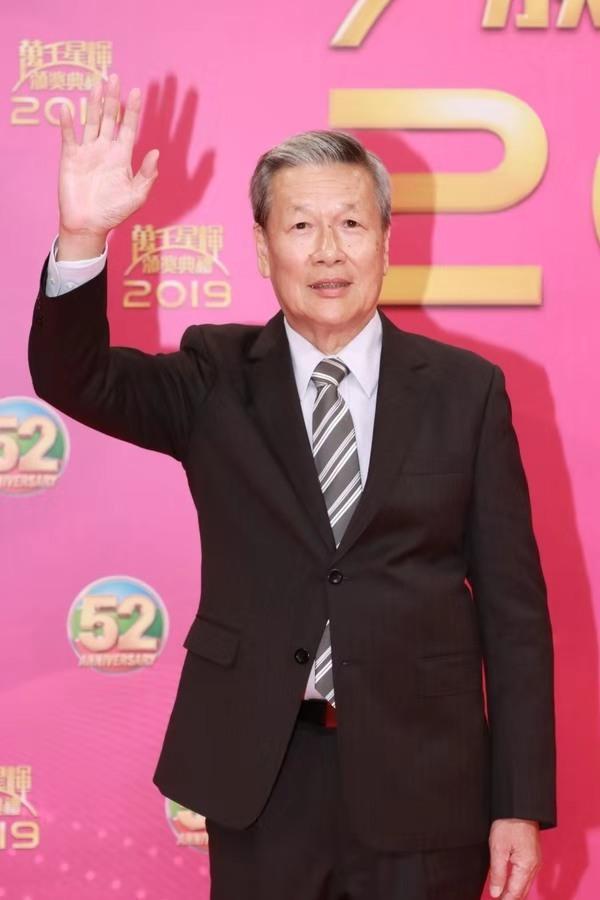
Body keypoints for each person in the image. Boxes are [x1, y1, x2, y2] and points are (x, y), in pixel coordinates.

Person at [28, 72, 556, 900]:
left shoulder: (467, 391)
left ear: (387, 240)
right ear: (261, 248)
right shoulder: (215, 377)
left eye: (351, 223)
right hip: (263, 775)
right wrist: (82, 235)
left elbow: (514, 615)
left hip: (427, 780)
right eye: (301, 225)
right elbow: (76, 377)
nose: (328, 251)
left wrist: (518, 802)